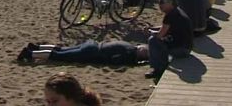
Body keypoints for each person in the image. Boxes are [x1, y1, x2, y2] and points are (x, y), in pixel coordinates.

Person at [146, 0, 193, 79]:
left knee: (152, 41)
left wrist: (151, 32)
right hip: (187, 47)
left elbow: (160, 35)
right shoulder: (177, 11)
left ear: (170, 2)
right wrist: (153, 29)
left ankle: (157, 69)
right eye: (159, 2)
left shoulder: (170, 16)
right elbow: (166, 28)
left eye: (162, 2)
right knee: (159, 41)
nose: (160, 5)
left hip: (181, 50)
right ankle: (161, 63)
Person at [17, 40, 149, 65]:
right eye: (145, 54)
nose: (143, 55)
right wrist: (137, 62)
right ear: (141, 50)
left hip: (93, 44)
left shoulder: (128, 44)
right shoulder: (130, 52)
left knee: (61, 49)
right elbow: (116, 60)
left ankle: (37, 47)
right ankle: (29, 53)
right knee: (59, 56)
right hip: (91, 52)